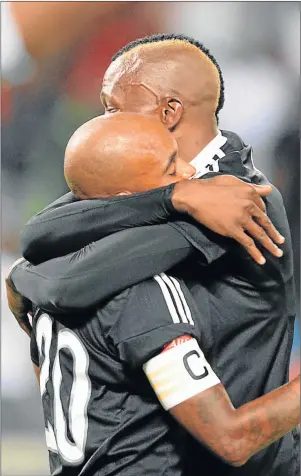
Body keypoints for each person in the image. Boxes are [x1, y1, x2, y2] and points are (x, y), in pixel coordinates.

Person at [8, 34, 299, 474]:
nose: (105, 121)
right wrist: (174, 197)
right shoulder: (153, 184)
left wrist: (21, 280)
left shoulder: (238, 198)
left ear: (169, 112)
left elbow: (67, 282)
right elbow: (38, 234)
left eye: (114, 108)